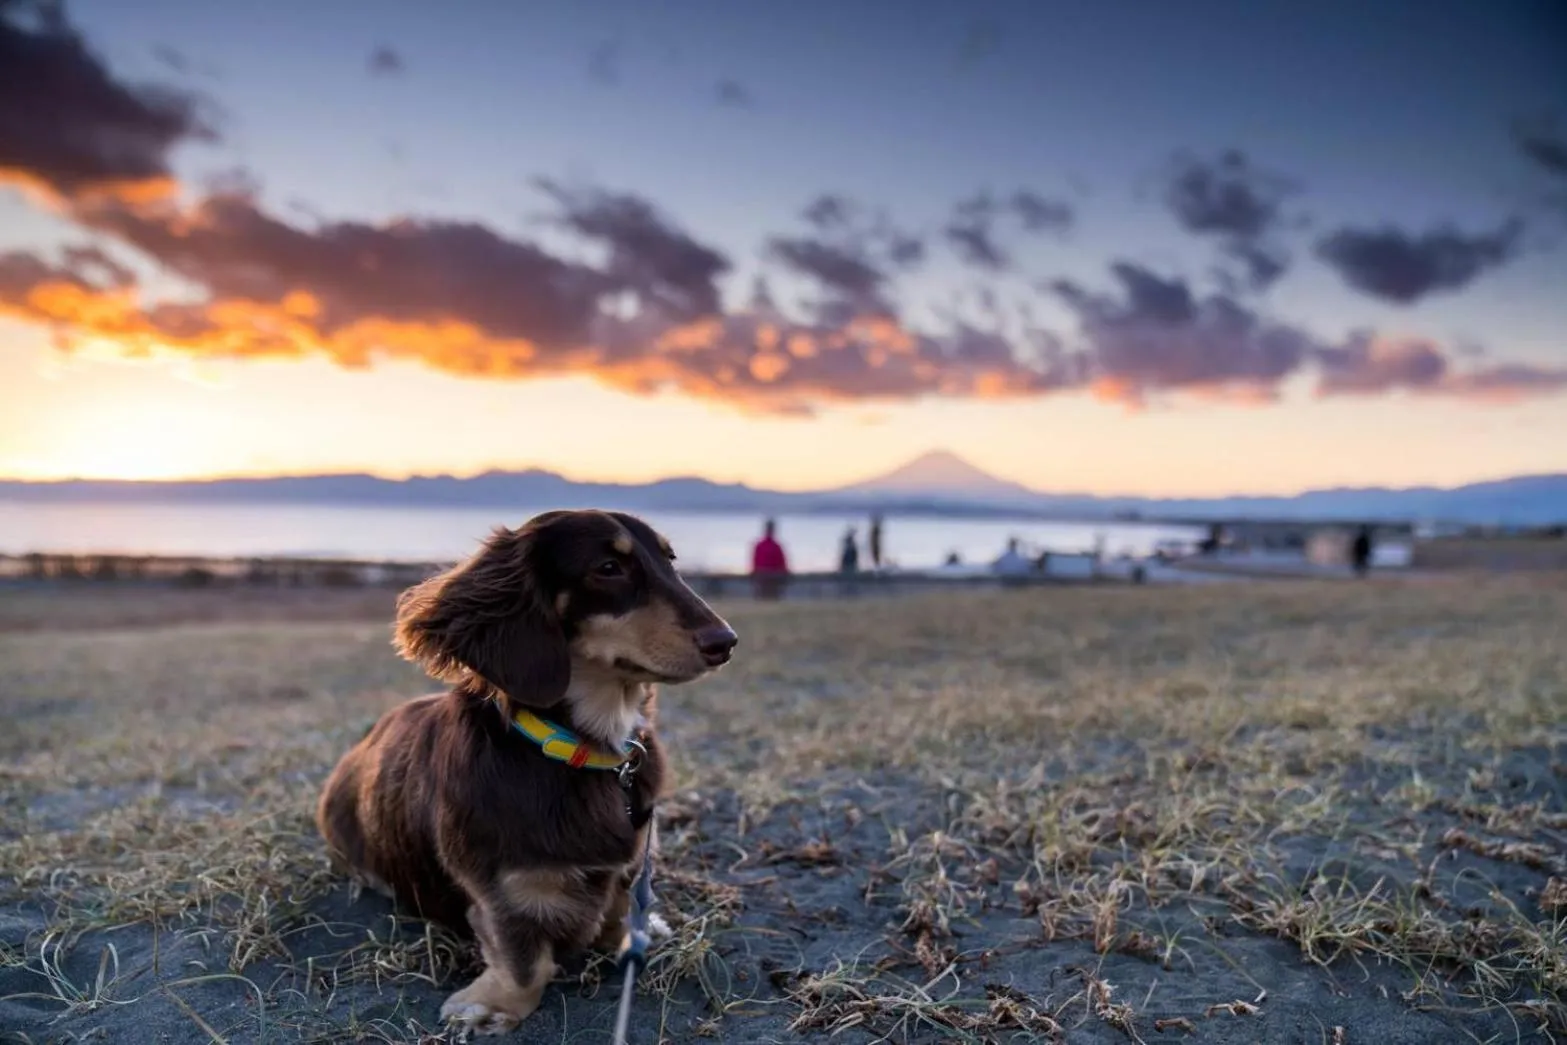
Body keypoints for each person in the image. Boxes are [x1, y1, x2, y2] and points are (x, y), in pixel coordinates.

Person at [749, 518, 790, 599]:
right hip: (770, 576)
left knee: (767, 586)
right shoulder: (775, 546)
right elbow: (782, 563)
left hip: (764, 575)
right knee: (772, 586)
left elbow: (754, 561)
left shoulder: (760, 545)